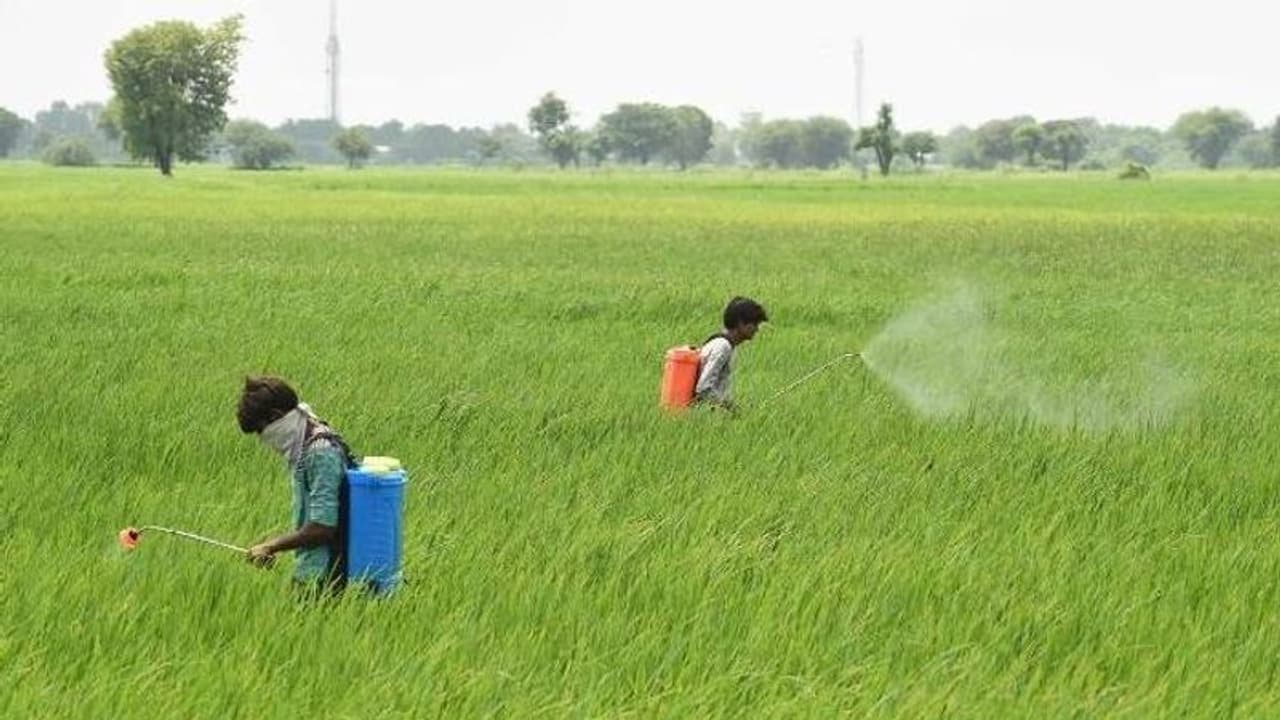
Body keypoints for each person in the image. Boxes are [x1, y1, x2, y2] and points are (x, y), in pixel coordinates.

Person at [236, 375, 354, 591]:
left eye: (261, 430)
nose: (263, 439)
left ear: (276, 416)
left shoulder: (320, 453)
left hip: (327, 576)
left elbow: (323, 527)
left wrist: (273, 545)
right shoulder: (306, 441)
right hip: (312, 569)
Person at [695, 296, 768, 410]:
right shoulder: (722, 346)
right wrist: (732, 408)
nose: (756, 329)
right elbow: (704, 388)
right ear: (740, 323)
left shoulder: (721, 343)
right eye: (754, 324)